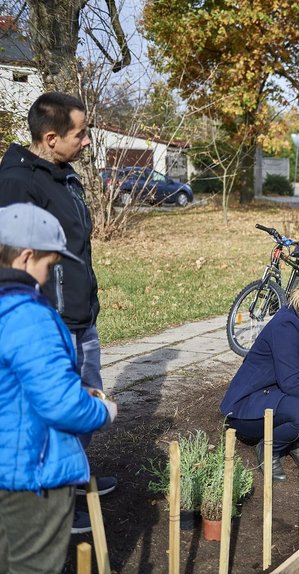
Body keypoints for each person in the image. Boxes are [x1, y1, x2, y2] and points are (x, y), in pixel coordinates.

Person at [0, 92, 115, 532]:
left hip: (81, 313)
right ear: (51, 137)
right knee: (57, 410)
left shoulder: (63, 175)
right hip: (50, 318)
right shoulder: (17, 183)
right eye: (80, 133)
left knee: (85, 397)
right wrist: (41, 316)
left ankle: (78, 478)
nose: (87, 141)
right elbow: (13, 257)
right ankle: (58, 501)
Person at [0, 203, 117, 574]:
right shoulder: (27, 316)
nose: (50, 275)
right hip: (33, 476)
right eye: (49, 265)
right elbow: (60, 404)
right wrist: (102, 410)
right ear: (26, 256)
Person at [220, 270, 299, 481]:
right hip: (250, 404)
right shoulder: (286, 325)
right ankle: (269, 449)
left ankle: (294, 441)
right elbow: (289, 381)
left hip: (274, 390)